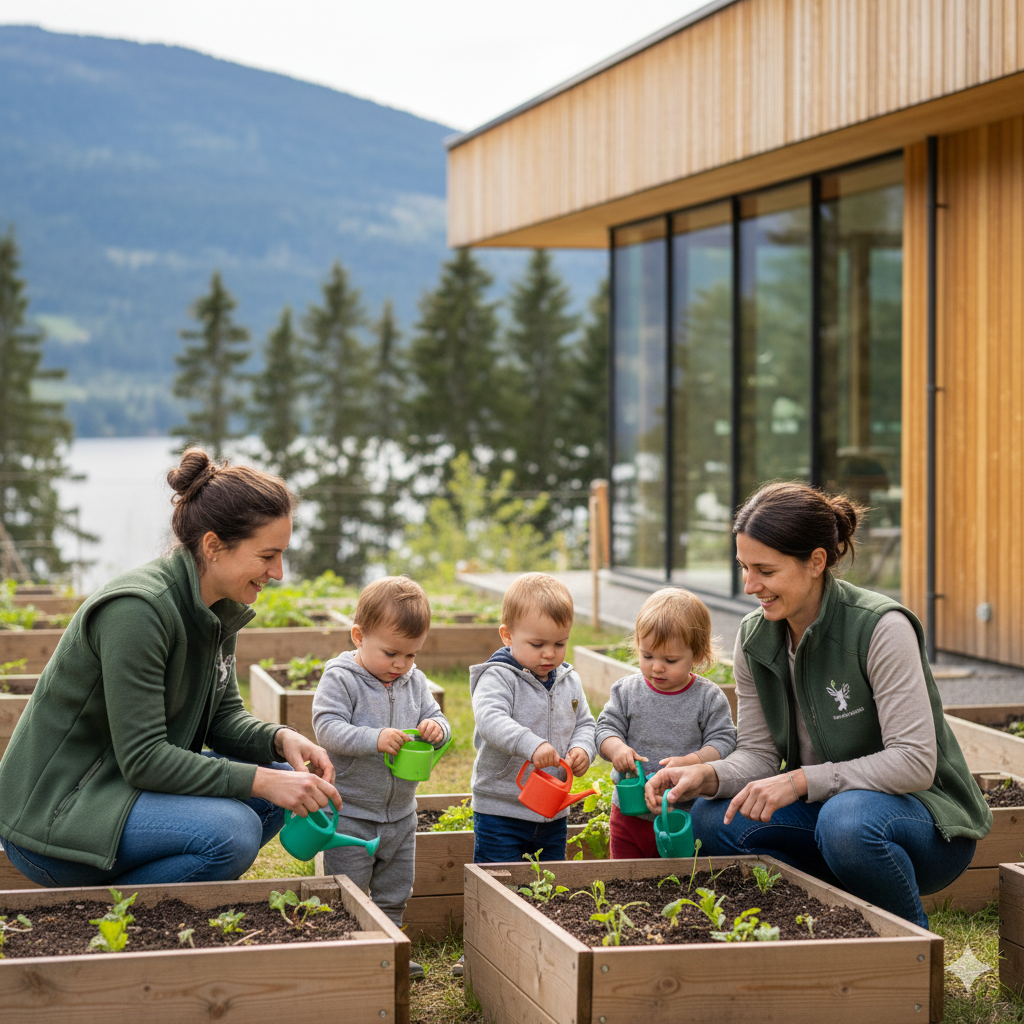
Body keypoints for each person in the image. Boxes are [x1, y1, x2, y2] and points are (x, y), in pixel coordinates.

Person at [645, 481, 991, 929]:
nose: (750, 586)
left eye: (765, 571)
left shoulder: (880, 628)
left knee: (846, 822)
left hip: (924, 820)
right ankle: (834, 921)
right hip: (829, 813)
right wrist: (706, 775)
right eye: (743, 568)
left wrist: (800, 781)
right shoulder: (755, 638)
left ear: (816, 562)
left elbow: (914, 762)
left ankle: (910, 947)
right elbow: (759, 754)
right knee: (712, 819)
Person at [0, 448, 341, 888]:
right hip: (59, 816)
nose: (278, 571)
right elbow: (144, 759)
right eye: (267, 555)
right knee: (232, 832)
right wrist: (257, 780)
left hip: (122, 791)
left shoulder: (217, 606)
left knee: (284, 794)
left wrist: (279, 740)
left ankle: (132, 898)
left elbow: (222, 719)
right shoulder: (138, 612)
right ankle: (112, 913)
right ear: (214, 546)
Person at [311, 575, 450, 979]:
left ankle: (390, 952)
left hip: (401, 814)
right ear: (358, 636)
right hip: (352, 812)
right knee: (348, 890)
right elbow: (327, 727)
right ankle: (348, 958)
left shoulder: (414, 680)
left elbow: (437, 717)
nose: (400, 665)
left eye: (411, 655)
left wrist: (436, 728)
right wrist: (374, 738)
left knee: (395, 889)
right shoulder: (341, 679)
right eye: (391, 653)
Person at [596, 587, 735, 859]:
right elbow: (605, 729)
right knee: (623, 880)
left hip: (683, 814)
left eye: (670, 660)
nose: (657, 667)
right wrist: (616, 749)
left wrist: (692, 760)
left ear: (697, 655)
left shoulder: (708, 697)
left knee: (677, 882)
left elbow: (724, 741)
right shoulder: (626, 691)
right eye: (647, 656)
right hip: (628, 812)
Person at [469, 572, 597, 864]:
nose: (549, 654)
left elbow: (585, 723)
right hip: (501, 810)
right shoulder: (498, 677)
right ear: (507, 635)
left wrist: (583, 749)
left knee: (551, 889)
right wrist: (532, 745)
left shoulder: (569, 679)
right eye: (537, 645)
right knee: (499, 886)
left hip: (553, 811)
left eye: (559, 643)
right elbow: (490, 719)